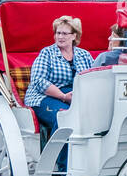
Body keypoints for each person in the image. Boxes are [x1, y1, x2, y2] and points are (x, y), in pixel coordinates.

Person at [25, 16, 94, 167]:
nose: (60, 37)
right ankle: (59, 165)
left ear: (74, 36)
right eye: (58, 33)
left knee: (92, 116)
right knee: (63, 117)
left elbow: (92, 77)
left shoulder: (84, 55)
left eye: (64, 33)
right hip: (44, 96)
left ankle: (86, 158)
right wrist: (63, 96)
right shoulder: (47, 53)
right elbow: (38, 81)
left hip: (76, 96)